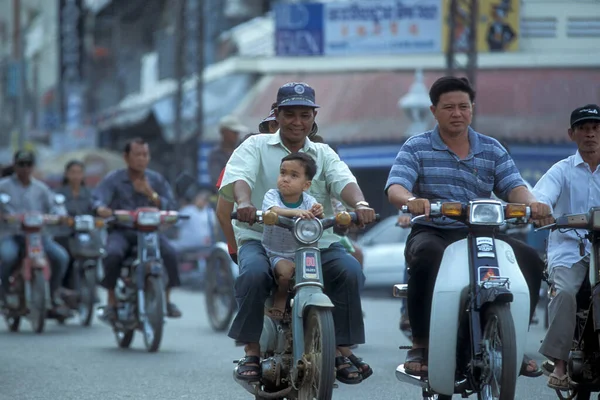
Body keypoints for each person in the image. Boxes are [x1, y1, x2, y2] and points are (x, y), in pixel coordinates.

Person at [385, 76, 551, 378]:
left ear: (472, 109)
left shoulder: (492, 148)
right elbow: (395, 186)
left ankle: (513, 340)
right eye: (449, 107)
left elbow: (514, 186)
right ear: (434, 111)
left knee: (529, 259)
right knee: (425, 258)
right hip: (434, 231)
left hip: (483, 233)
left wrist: (533, 203)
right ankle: (421, 343)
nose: (457, 113)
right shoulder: (417, 147)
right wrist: (411, 200)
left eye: (463, 106)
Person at [220, 82, 375, 384]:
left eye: (305, 115)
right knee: (252, 274)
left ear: (314, 116)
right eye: (290, 114)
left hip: (315, 240)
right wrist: (244, 203)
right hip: (261, 239)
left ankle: (340, 348)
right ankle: (251, 351)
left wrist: (361, 204)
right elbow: (240, 177)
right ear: (276, 115)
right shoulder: (255, 146)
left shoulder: (323, 153)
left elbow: (343, 180)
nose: (297, 122)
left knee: (350, 270)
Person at [534, 104, 600, 390]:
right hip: (569, 250)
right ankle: (559, 365)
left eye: (596, 128)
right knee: (564, 294)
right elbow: (540, 198)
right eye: (584, 129)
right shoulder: (560, 171)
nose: (590, 134)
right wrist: (541, 209)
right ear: (571, 134)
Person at [92, 138, 182, 319]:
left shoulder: (155, 179)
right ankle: (111, 300)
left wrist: (150, 194)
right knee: (112, 254)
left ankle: (167, 299)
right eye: (137, 155)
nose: (142, 159)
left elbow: (171, 205)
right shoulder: (114, 179)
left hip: (150, 232)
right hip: (122, 231)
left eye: (145, 155)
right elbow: (97, 198)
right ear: (126, 157)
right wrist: (101, 208)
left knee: (171, 253)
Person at [0, 150, 74, 317]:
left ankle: (54, 293)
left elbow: (55, 206)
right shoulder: (3, 186)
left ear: (33, 167)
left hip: (38, 237)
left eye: (28, 165)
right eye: (21, 164)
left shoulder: (41, 188)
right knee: (8, 256)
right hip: (11, 235)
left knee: (61, 257)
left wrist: (60, 216)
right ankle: (5, 293)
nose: (25, 169)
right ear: (15, 165)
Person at [216, 104, 284, 263]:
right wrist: (238, 248)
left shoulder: (304, 160)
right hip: (250, 239)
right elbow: (223, 213)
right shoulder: (240, 158)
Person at [261, 153, 323, 317]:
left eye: (293, 175)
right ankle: (280, 298)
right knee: (286, 273)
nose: (285, 179)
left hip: (302, 253)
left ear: (306, 185)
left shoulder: (309, 201)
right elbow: (273, 210)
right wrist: (296, 212)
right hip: (277, 253)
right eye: (283, 173)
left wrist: (318, 212)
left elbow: (315, 215)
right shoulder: (272, 196)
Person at [55, 160, 97, 289]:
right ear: (66, 174)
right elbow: (55, 211)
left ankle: (92, 285)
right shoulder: (59, 194)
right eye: (72, 172)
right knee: (64, 253)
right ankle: (63, 286)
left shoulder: (90, 194)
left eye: (79, 172)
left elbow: (96, 209)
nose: (76, 176)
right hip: (65, 233)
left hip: (86, 233)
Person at [208, 115, 249, 187]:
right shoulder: (215, 154)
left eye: (237, 132)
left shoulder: (244, 150)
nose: (237, 135)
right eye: (234, 132)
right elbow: (216, 179)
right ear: (224, 132)